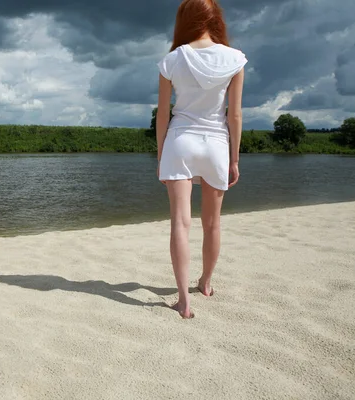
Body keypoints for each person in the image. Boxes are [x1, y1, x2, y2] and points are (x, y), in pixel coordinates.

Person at [156, 0, 247, 319]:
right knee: (212, 223)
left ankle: (183, 301)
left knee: (180, 223)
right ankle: (206, 284)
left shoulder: (171, 60)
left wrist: (160, 155)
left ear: (185, 21)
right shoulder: (235, 59)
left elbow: (163, 116)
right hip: (216, 144)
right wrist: (234, 158)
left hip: (180, 140)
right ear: (216, 20)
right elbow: (234, 115)